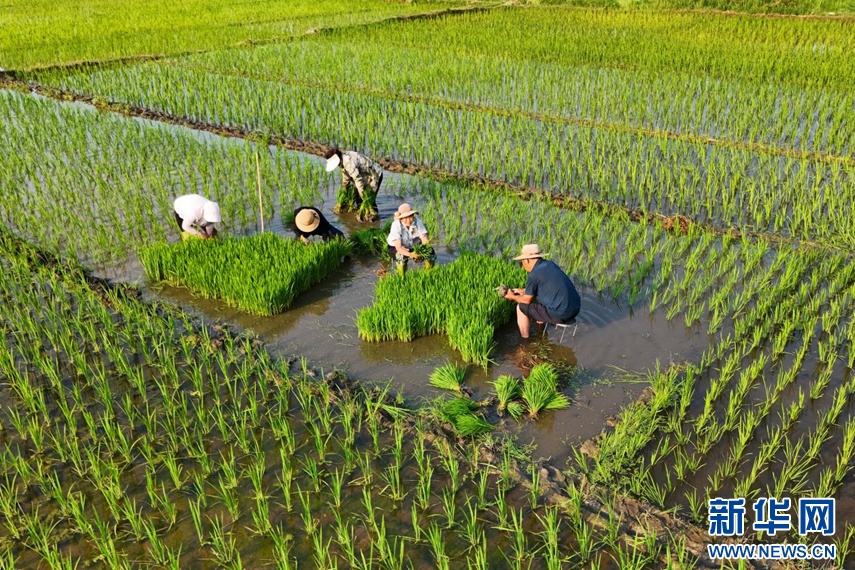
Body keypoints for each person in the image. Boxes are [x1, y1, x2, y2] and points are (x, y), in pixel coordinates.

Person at [504, 244, 580, 340]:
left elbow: (526, 301)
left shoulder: (533, 274)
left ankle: (524, 341)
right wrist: (523, 290)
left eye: (521, 262)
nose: (522, 265)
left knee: (520, 307)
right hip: (575, 309)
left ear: (527, 260)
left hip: (561, 314)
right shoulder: (550, 265)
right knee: (538, 299)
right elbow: (546, 287)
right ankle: (540, 325)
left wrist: (512, 296)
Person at [324, 147, 383, 222]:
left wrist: (363, 195)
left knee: (369, 200)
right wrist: (344, 188)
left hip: (374, 175)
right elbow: (346, 175)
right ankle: (363, 218)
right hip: (364, 175)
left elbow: (358, 181)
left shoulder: (348, 162)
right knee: (358, 198)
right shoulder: (343, 159)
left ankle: (375, 219)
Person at [386, 203, 436, 275]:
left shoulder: (417, 222)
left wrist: (421, 252)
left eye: (410, 216)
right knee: (400, 256)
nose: (409, 220)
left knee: (430, 251)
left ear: (413, 215)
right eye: (405, 217)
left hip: (414, 245)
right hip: (396, 247)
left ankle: (429, 273)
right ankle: (402, 276)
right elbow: (399, 247)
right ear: (401, 218)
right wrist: (411, 255)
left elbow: (425, 240)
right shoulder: (396, 225)